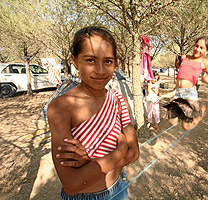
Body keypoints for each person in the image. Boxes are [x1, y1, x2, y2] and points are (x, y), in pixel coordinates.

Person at [47, 26, 139, 200]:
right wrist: (119, 152)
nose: (101, 70)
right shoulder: (61, 107)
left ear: (116, 63)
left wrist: (91, 162)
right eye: (90, 60)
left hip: (119, 186)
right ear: (74, 61)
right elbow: (72, 183)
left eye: (108, 61)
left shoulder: (118, 100)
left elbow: (134, 153)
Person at [163, 36, 208, 130]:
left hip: (189, 93)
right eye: (196, 46)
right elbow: (181, 74)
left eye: (201, 48)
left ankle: (205, 107)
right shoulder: (185, 57)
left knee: (186, 127)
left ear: (206, 51)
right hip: (178, 92)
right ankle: (183, 113)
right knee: (172, 122)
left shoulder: (205, 62)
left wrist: (205, 79)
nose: (198, 49)